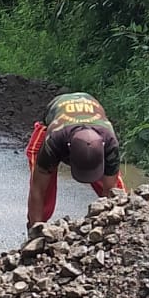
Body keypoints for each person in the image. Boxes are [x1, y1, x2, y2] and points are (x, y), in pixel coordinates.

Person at [25, 91, 126, 233]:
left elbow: (111, 189)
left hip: (90, 116)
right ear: (69, 152)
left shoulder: (110, 142)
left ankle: (124, 223)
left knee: (117, 194)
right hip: (57, 121)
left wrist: (111, 221)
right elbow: (38, 188)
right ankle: (37, 227)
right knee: (42, 181)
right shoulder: (54, 140)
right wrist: (35, 231)